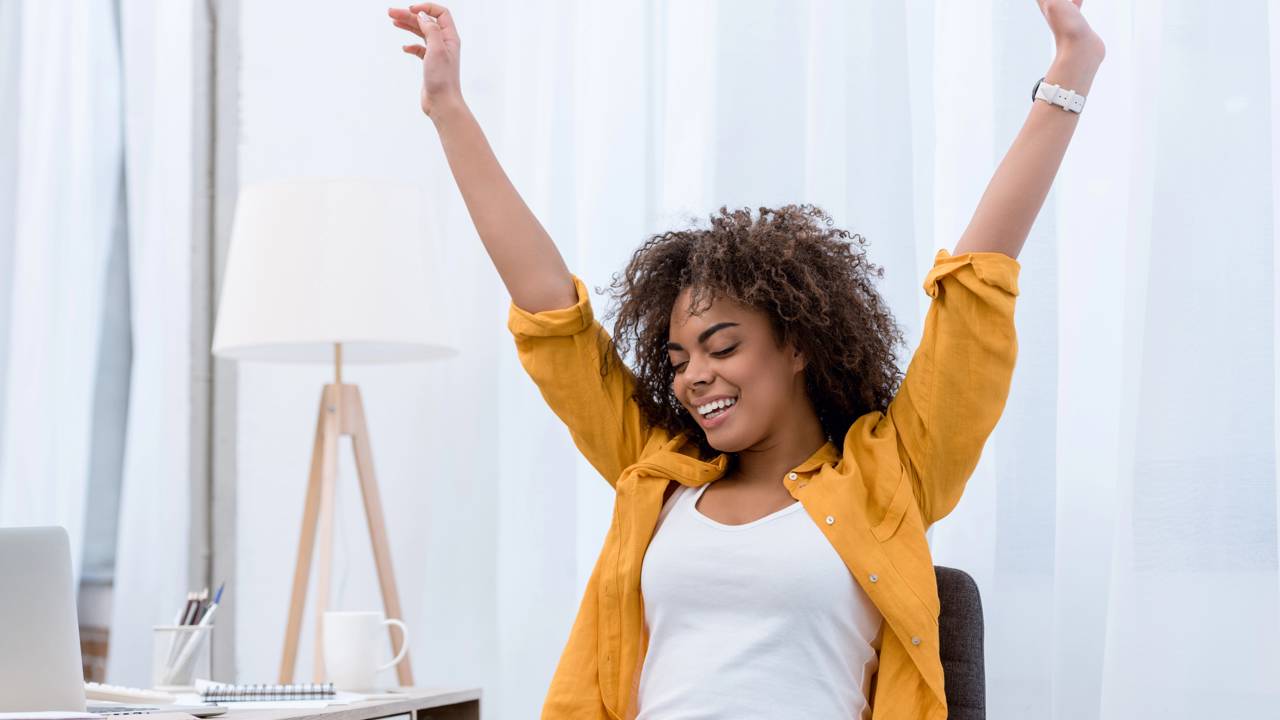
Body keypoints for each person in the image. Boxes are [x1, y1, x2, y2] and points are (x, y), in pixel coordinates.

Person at [387, 2, 1104, 718]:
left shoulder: (892, 476)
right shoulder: (656, 473)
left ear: (798, 345)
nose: (694, 375)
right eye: (677, 359)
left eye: (723, 346)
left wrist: (1071, 65)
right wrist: (449, 110)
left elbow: (976, 284)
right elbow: (550, 315)